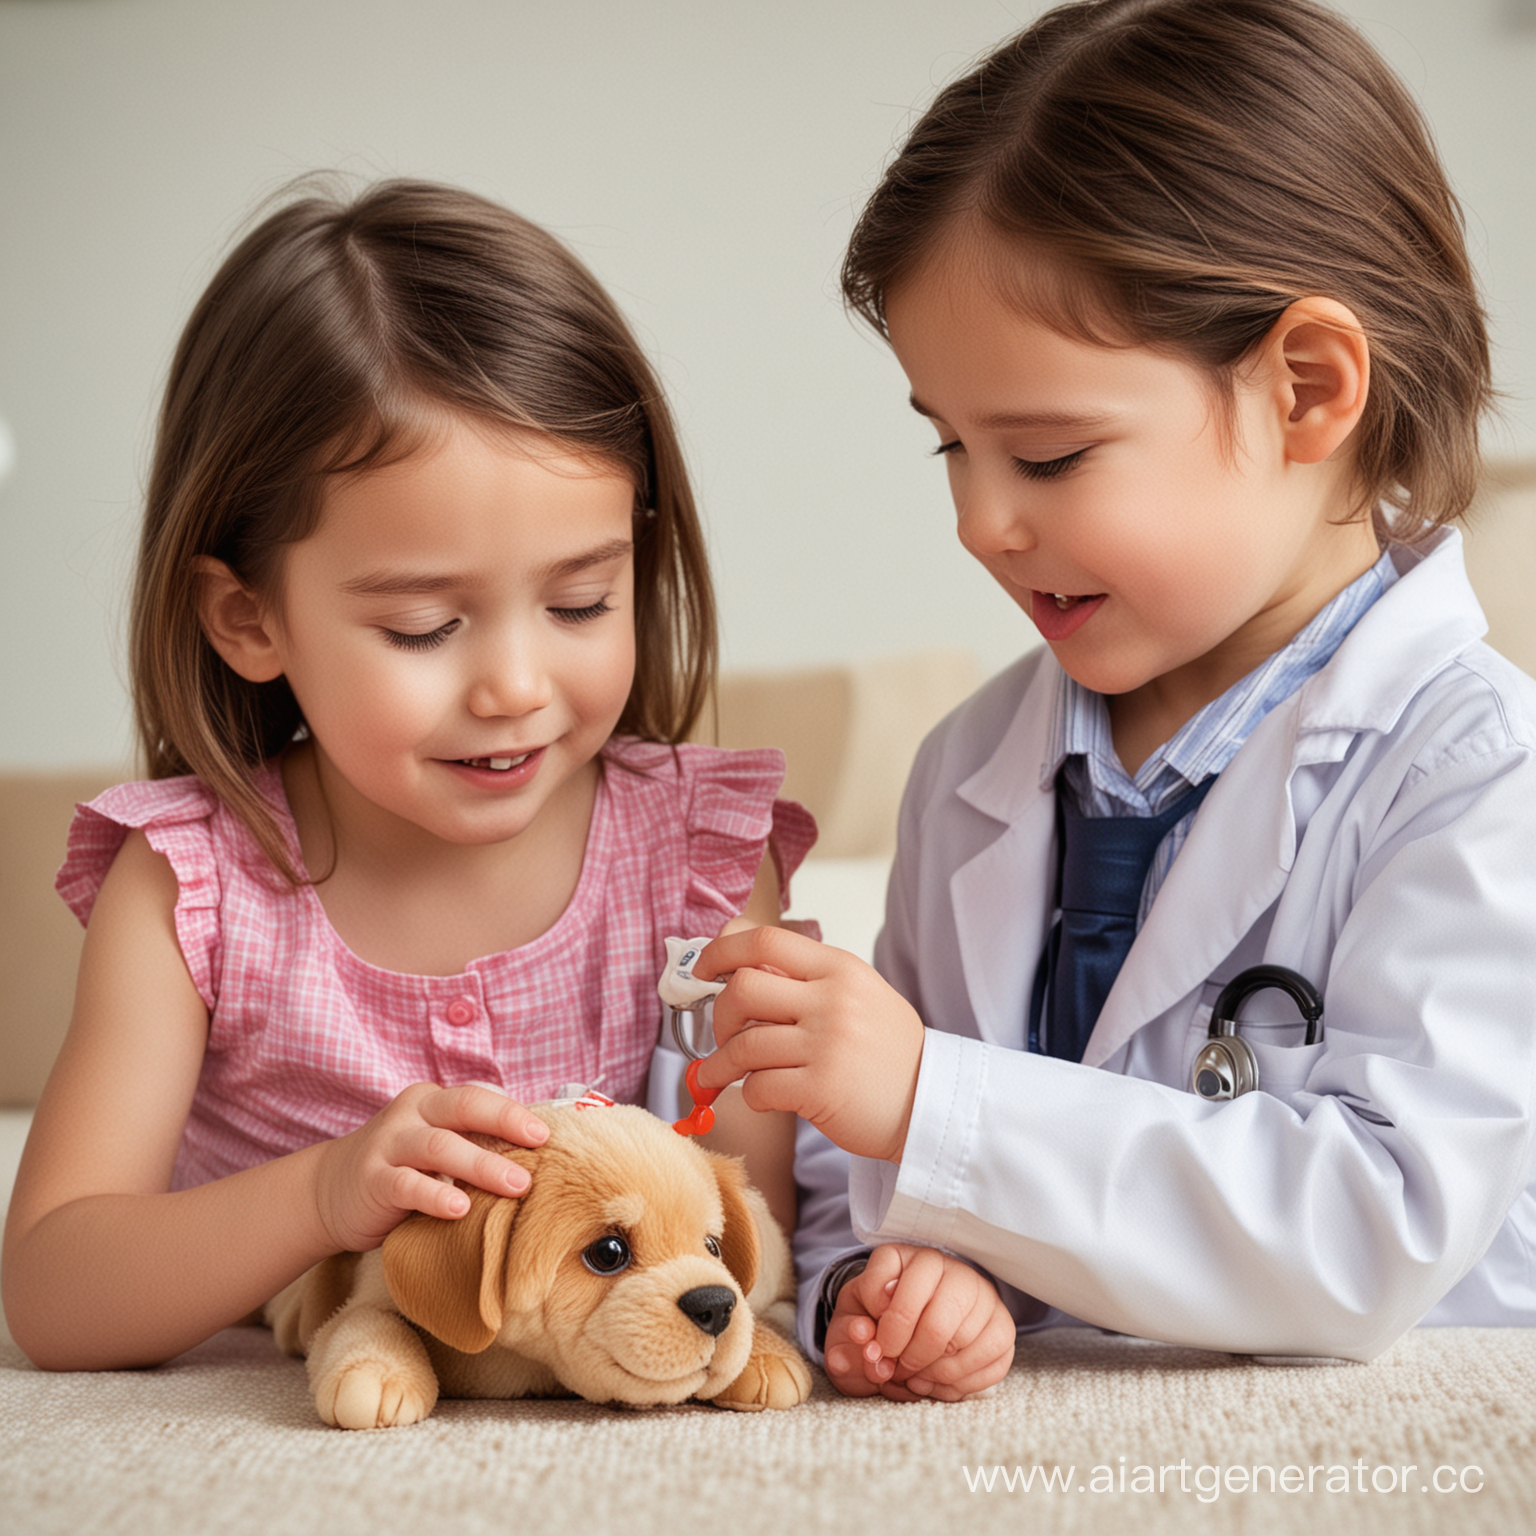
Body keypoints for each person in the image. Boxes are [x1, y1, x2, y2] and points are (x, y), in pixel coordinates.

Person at [696, 0, 1536, 1400]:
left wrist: (937, 1104)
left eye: (1050, 454)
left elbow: (1373, 1228)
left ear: (1308, 390)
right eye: (950, 448)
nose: (979, 522)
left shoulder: (1476, 770)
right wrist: (888, 1278)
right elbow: (864, 1152)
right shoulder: (974, 763)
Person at [1, 180, 814, 1371]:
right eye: (427, 626)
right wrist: (324, 1198)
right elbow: (57, 1297)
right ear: (249, 617)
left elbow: (756, 1238)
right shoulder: (191, 885)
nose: (516, 686)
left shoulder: (700, 857)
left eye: (582, 600)